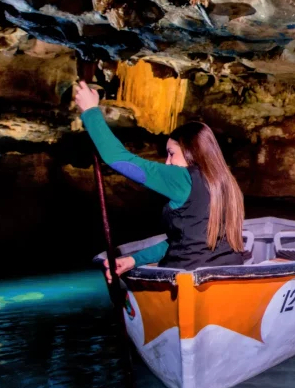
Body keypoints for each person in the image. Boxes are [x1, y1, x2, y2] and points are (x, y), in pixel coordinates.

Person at [73, 81, 246, 280]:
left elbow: (119, 159)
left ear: (192, 152)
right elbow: (184, 240)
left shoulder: (182, 178)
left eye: (172, 154)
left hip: (187, 280)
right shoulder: (228, 184)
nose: (167, 162)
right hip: (229, 275)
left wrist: (90, 111)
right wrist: (133, 260)